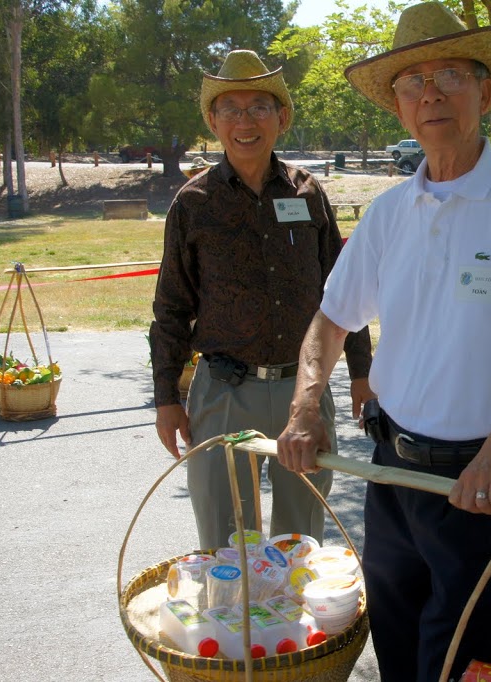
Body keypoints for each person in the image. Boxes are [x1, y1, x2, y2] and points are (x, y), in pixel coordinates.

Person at [276, 4, 491, 680]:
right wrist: (305, 406)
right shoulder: (390, 212)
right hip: (393, 474)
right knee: (397, 648)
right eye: (413, 81)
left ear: (484, 90)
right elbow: (331, 319)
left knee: (452, 661)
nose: (431, 93)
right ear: (399, 105)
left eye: (450, 74)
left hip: (483, 482)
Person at [149, 50, 373, 550]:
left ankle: (294, 604)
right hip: (224, 393)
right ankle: (233, 606)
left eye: (258, 107)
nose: (244, 121)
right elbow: (171, 307)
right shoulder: (193, 203)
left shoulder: (308, 193)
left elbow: (342, 291)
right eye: (230, 108)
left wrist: (362, 371)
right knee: (227, 546)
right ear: (213, 121)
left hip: (304, 393)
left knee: (302, 541)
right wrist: (166, 397)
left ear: (282, 117)